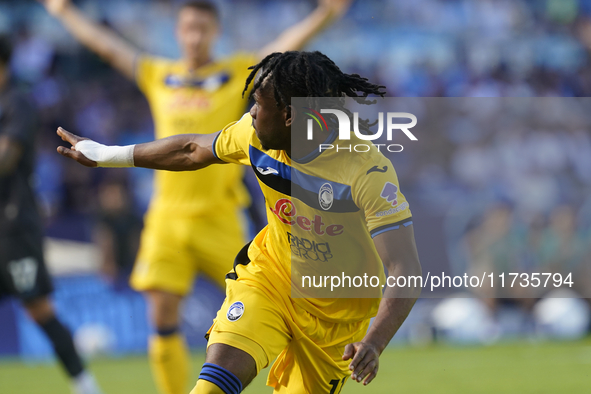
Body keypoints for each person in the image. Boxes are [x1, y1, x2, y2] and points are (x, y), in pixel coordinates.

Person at [57, 50, 422, 394]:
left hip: (338, 318)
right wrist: (106, 155)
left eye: (258, 105)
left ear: (290, 116)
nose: (249, 114)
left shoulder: (366, 170)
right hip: (271, 280)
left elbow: (405, 267)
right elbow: (191, 150)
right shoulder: (254, 135)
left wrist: (374, 342)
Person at [41, 1, 352, 393]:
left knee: (279, 299)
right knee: (162, 310)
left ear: (215, 32)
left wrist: (325, 14)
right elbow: (108, 47)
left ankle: (302, 369)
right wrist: (62, 11)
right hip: (167, 218)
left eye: (202, 29)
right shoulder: (159, 74)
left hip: (220, 216)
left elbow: (281, 54)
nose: (194, 37)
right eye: (188, 28)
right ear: (177, 32)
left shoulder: (235, 72)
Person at [0, 35, 102, 394]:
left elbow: (5, 160)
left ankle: (85, 384)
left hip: (12, 228)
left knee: (38, 309)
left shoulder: (16, 103)